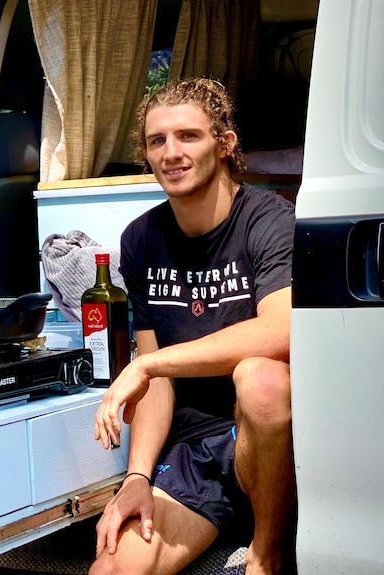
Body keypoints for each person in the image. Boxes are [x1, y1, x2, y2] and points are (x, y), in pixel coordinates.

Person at [90, 78, 295, 575]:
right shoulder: (141, 239)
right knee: (114, 567)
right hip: (198, 451)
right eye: (157, 141)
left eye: (188, 136)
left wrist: (149, 365)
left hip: (273, 447)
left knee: (260, 378)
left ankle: (267, 553)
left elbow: (282, 331)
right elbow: (158, 383)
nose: (171, 153)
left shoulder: (269, 220)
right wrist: (137, 476)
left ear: (224, 144)